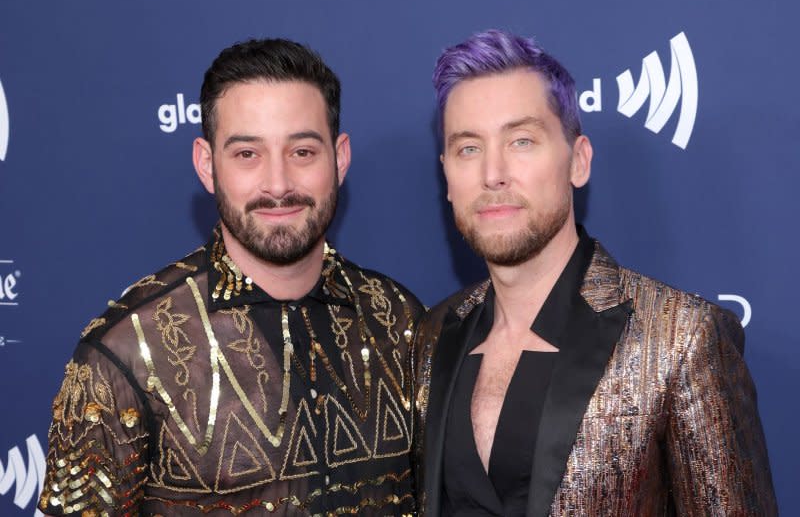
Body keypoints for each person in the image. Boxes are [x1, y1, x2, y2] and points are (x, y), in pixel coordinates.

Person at [38, 38, 422, 516]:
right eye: (247, 154)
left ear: (339, 160)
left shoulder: (400, 321)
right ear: (206, 164)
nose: (278, 184)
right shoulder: (125, 352)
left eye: (302, 151)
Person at [413, 29, 777, 516]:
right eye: (468, 148)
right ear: (448, 177)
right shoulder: (433, 335)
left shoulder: (682, 339)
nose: (492, 173)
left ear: (578, 161)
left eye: (521, 140)